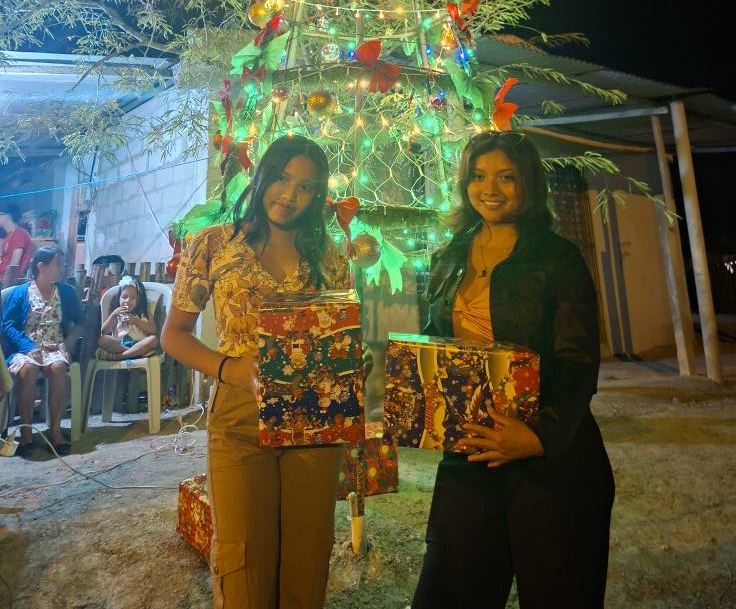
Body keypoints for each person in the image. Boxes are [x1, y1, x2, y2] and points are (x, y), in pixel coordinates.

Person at [411, 131, 615, 609]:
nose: (490, 189)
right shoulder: (448, 257)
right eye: (478, 177)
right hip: (470, 457)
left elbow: (577, 361)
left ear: (529, 185)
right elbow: (438, 346)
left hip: (551, 464)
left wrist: (538, 436)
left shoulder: (558, 258)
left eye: (506, 177)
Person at [162, 135, 361, 609]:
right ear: (263, 176)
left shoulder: (329, 255)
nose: (290, 195)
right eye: (283, 179)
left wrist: (350, 361)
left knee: (307, 557)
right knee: (243, 560)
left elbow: (337, 329)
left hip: (314, 415)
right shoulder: (213, 243)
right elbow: (174, 335)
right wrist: (229, 368)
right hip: (239, 416)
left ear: (318, 195)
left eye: (306, 187)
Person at [2, 246, 84, 456]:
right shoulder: (21, 292)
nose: (62, 269)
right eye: (58, 264)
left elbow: (81, 322)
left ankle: (55, 430)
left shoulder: (66, 292)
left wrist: (68, 343)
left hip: (54, 346)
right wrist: (28, 347)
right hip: (25, 348)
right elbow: (8, 325)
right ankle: (26, 431)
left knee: (58, 367)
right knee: (28, 369)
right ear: (41, 267)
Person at [96, 274, 159, 359]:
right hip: (120, 346)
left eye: (133, 298)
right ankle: (135, 353)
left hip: (140, 344)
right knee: (102, 339)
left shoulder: (144, 312)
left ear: (139, 299)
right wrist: (113, 315)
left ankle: (120, 356)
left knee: (153, 340)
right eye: (124, 297)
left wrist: (136, 321)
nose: (128, 301)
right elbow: (104, 331)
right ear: (119, 297)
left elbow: (153, 330)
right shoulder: (117, 313)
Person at [0, 203, 35, 287]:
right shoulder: (8, 236)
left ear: (8, 216)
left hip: (8, 282)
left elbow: (14, 266)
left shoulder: (19, 233)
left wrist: (6, 287)